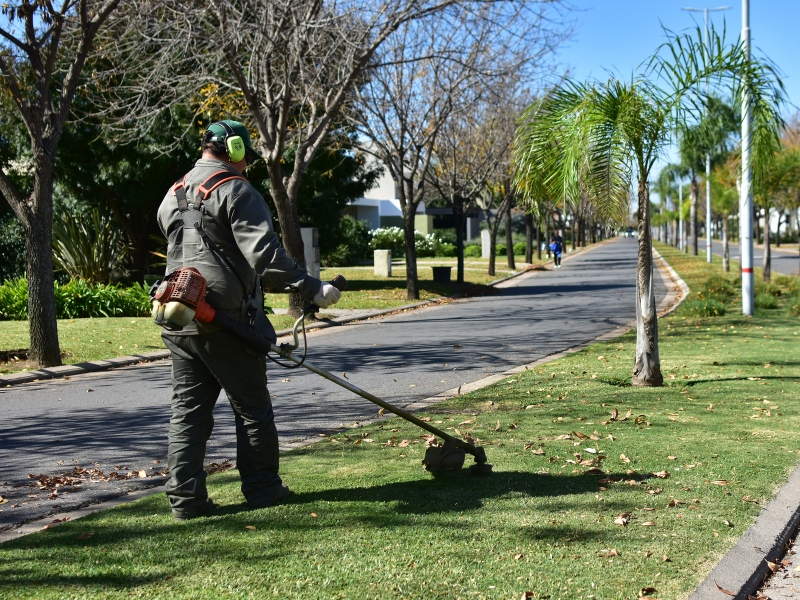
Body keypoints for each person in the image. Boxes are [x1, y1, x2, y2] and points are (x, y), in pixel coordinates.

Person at [156, 120, 341, 521]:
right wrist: (312, 287)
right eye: (245, 157)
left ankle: (186, 500)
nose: (246, 165)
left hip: (179, 315)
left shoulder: (173, 193)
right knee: (253, 409)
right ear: (235, 149)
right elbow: (266, 256)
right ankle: (263, 489)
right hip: (226, 321)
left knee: (188, 411)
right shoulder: (237, 190)